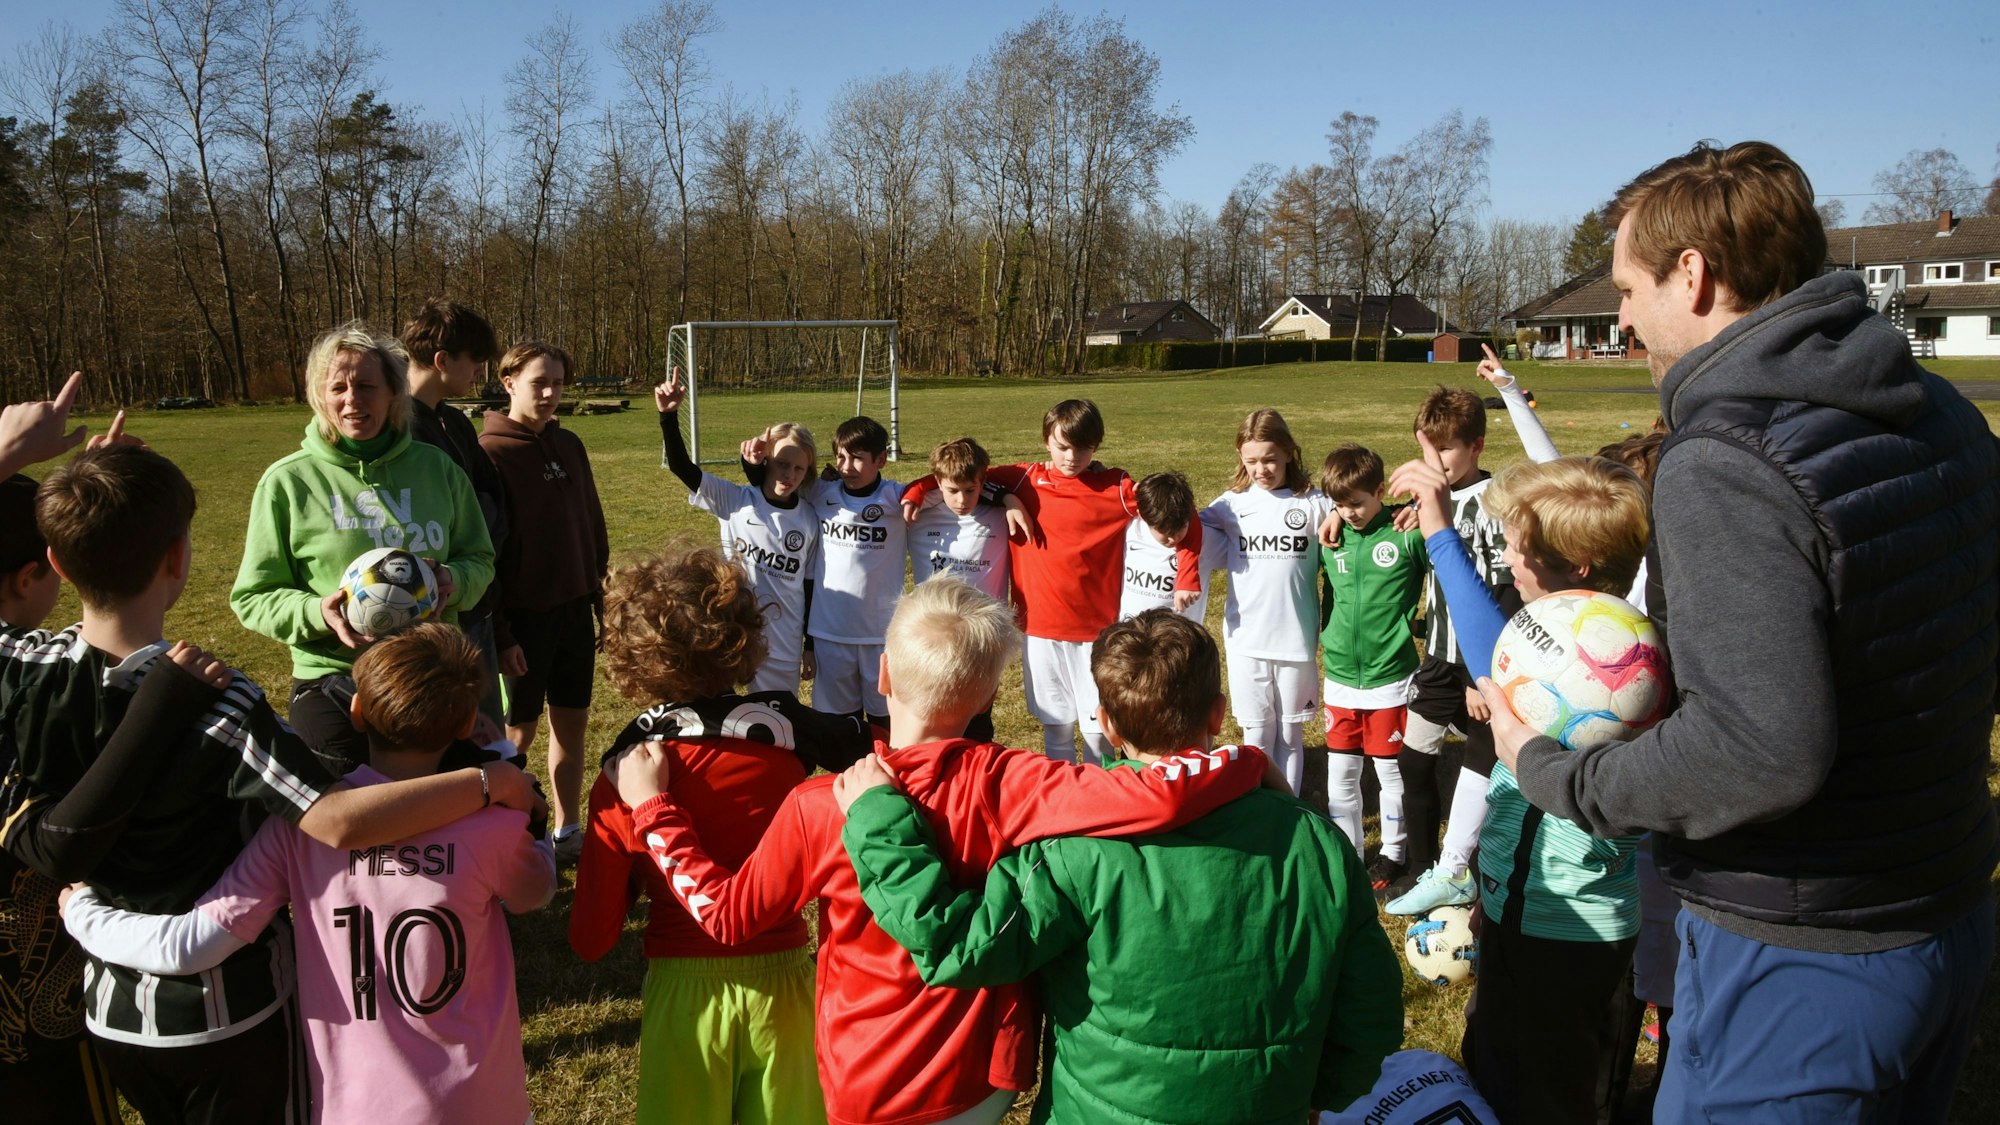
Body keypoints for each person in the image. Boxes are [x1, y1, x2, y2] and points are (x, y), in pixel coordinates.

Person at [1485, 140, 1999, 1123]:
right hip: (1942, 912)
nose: (1621, 314)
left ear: (1694, 274)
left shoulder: (1727, 461)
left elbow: (1759, 751)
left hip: (1801, 957)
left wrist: (1554, 773)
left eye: (1627, 286)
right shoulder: (1936, 406)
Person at [610, 577, 1276, 1125]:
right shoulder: (1017, 779)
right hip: (983, 1077)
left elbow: (727, 915)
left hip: (865, 1078)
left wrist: (653, 809)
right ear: (987, 696)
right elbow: (1155, 796)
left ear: (882, 673)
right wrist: (1240, 757)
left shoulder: (823, 805)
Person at [3, 443, 537, 1123]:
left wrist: (16, 459)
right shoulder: (220, 699)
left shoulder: (22, 664)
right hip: (227, 1013)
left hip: (110, 1010)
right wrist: (489, 780)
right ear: (178, 557)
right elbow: (338, 819)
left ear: (54, 560)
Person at [837, 608, 1404, 1124]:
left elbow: (959, 944)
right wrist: (1315, 1096)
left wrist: (878, 822)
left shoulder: (1071, 850)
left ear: (1106, 723)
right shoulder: (1318, 845)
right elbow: (1370, 1012)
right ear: (1218, 711)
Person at [61, 623, 556, 1125]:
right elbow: (536, 892)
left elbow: (192, 945)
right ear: (467, 722)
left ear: (357, 713)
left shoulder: (300, 826)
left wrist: (81, 911)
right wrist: (506, 774)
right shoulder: (489, 824)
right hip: (480, 1102)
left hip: (358, 1107)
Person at [569, 544, 871, 1125]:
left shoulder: (623, 780)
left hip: (685, 1002)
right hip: (786, 987)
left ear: (631, 655)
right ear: (743, 639)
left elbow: (591, 940)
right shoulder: (788, 759)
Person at [1393, 445, 1650, 1124]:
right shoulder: (1566, 636)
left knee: (1552, 1095)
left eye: (1514, 547)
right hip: (1523, 910)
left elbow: (1485, 646)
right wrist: (1498, 890)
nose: (1506, 560)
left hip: (1571, 931)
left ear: (1576, 570)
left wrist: (1440, 532)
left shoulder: (1601, 667)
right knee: (1495, 1068)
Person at [231, 322, 497, 774]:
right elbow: (253, 596)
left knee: (459, 811)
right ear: (319, 395)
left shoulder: (438, 468)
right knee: (353, 821)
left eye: (367, 386)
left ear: (395, 392)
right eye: (337, 387)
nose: (352, 400)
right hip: (334, 678)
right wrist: (318, 612)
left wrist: (454, 579)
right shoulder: (289, 482)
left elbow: (481, 558)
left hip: (433, 674)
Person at [900, 399, 1204, 765]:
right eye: (1062, 447)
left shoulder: (1116, 487)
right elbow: (955, 477)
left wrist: (1187, 572)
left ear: (1097, 447)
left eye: (1083, 448)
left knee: (1099, 728)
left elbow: (1177, 512)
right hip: (1039, 629)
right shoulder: (1024, 478)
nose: (1071, 457)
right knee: (1056, 725)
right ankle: (1066, 802)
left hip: (1097, 632)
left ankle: (1100, 805)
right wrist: (921, 492)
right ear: (1046, 441)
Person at [1384, 386, 1518, 914]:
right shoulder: (1429, 497)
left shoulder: (1494, 503)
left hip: (1482, 663)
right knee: (1414, 762)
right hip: (1438, 661)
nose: (1434, 462)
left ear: (1477, 446)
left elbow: (1506, 589)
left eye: (1446, 450)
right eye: (1427, 450)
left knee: (1484, 769)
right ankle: (1423, 869)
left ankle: (1472, 874)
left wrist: (1478, 675)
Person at [479, 341, 609, 864]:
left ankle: (567, 828)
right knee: (517, 732)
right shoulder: (489, 453)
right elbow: (486, 553)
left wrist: (602, 598)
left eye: (558, 382)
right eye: (540, 382)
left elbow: (591, 525)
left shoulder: (570, 444)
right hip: (523, 622)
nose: (552, 393)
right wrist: (503, 635)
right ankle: (504, 833)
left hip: (575, 612)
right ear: (508, 383)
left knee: (571, 723)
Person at [654, 367, 820, 694]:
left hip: (781, 640)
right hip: (730, 630)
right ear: (764, 461)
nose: (789, 473)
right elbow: (681, 466)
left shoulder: (809, 520)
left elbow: (810, 586)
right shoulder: (736, 500)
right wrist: (668, 416)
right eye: (782, 463)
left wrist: (808, 643)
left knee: (773, 721)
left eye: (798, 468)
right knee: (720, 714)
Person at [743, 416, 906, 729]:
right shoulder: (820, 493)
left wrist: (1004, 497)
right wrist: (752, 464)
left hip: (882, 637)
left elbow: (941, 486)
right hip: (830, 635)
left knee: (886, 720)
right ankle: (847, 775)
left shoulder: (897, 498)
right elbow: (774, 486)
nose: (846, 468)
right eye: (841, 458)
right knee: (837, 725)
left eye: (857, 459)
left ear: (881, 459)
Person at [1199, 408, 1330, 796]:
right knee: (1256, 734)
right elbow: (1187, 532)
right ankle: (1260, 809)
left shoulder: (1314, 503)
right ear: (1240, 457)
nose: (1262, 469)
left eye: (1270, 459)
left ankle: (1289, 811)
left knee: (1290, 732)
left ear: (1290, 452)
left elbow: (1354, 518)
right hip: (1245, 641)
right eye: (1251, 460)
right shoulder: (1231, 504)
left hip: (1296, 641)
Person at [1315, 443, 1427, 888]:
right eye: (1340, 505)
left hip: (1391, 676)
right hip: (1340, 676)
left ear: (1380, 490)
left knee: (1387, 771)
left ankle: (1393, 853)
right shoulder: (1332, 538)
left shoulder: (1406, 533)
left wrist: (1418, 507)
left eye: (1358, 503)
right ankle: (1348, 850)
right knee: (1340, 772)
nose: (1350, 512)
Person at [401, 299, 509, 727]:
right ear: (442, 360)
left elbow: (491, 496)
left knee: (485, 731)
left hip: (476, 595)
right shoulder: (401, 431)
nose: (481, 372)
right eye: (476, 362)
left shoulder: (455, 421)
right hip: (435, 616)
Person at [906, 436, 1015, 743]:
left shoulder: (999, 515)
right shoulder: (917, 512)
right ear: (938, 483)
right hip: (933, 638)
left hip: (982, 639)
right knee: (934, 719)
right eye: (952, 491)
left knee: (977, 722)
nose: (962, 499)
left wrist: (1010, 499)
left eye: (971, 490)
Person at [1119, 471, 1218, 621]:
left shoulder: (1207, 539)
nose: (1172, 538)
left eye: (1181, 529)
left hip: (1179, 640)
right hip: (1131, 635)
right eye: (1164, 532)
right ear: (1142, 515)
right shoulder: (1129, 529)